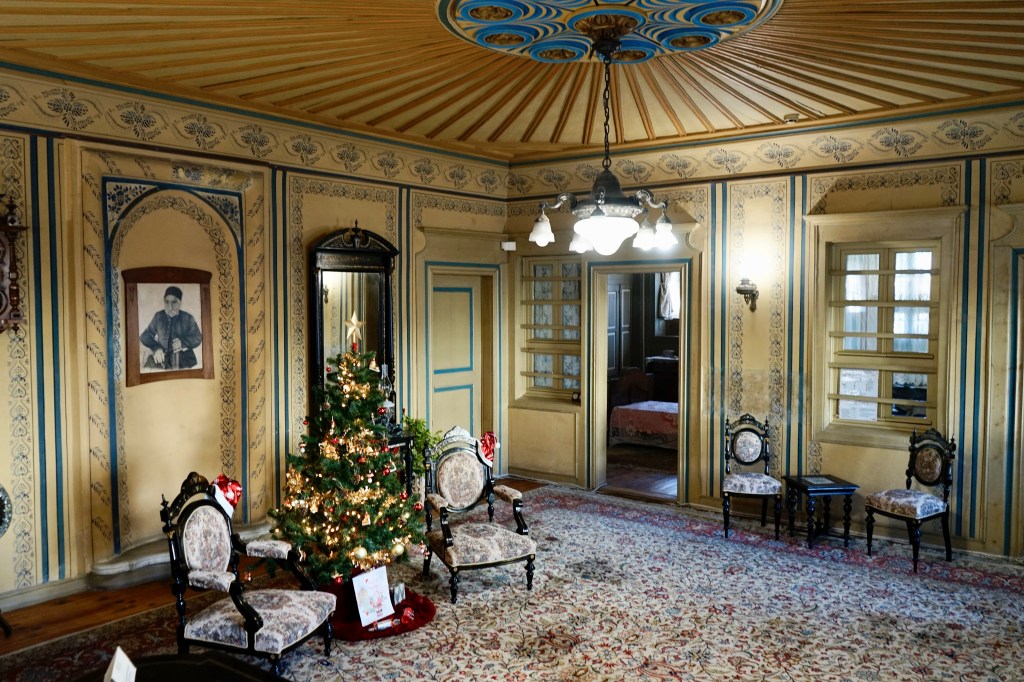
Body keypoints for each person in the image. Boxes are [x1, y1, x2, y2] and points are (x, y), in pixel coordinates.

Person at [140, 285, 202, 370]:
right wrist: (156, 348)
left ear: (180, 303)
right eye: (166, 302)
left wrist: (182, 343)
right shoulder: (158, 316)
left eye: (174, 302)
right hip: (162, 359)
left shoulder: (188, 318)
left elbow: (198, 338)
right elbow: (145, 335)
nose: (170, 307)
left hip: (184, 360)